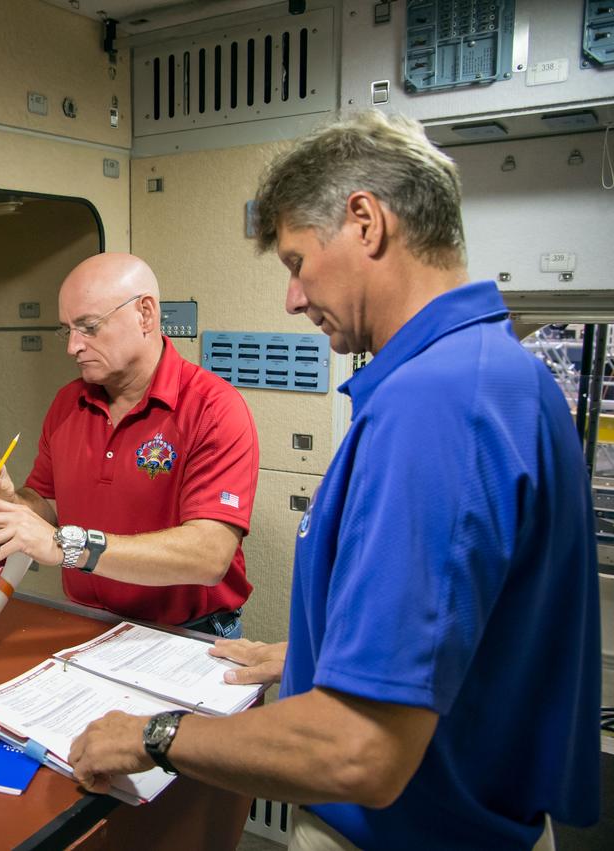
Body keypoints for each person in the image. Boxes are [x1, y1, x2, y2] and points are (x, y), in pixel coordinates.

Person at [67, 111, 600, 850]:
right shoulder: (503, 373)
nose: (291, 298)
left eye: (293, 262)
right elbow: (472, 617)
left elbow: (358, 750)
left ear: (363, 222)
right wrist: (314, 654)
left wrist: (154, 735)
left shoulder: (434, 404)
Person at [0, 252, 259, 636]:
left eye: (88, 326)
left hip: (187, 634)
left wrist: (67, 546)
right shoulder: (68, 403)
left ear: (146, 315)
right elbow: (48, 504)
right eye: (66, 330)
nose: (73, 347)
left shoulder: (213, 408)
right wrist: (14, 502)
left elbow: (209, 555)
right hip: (91, 625)